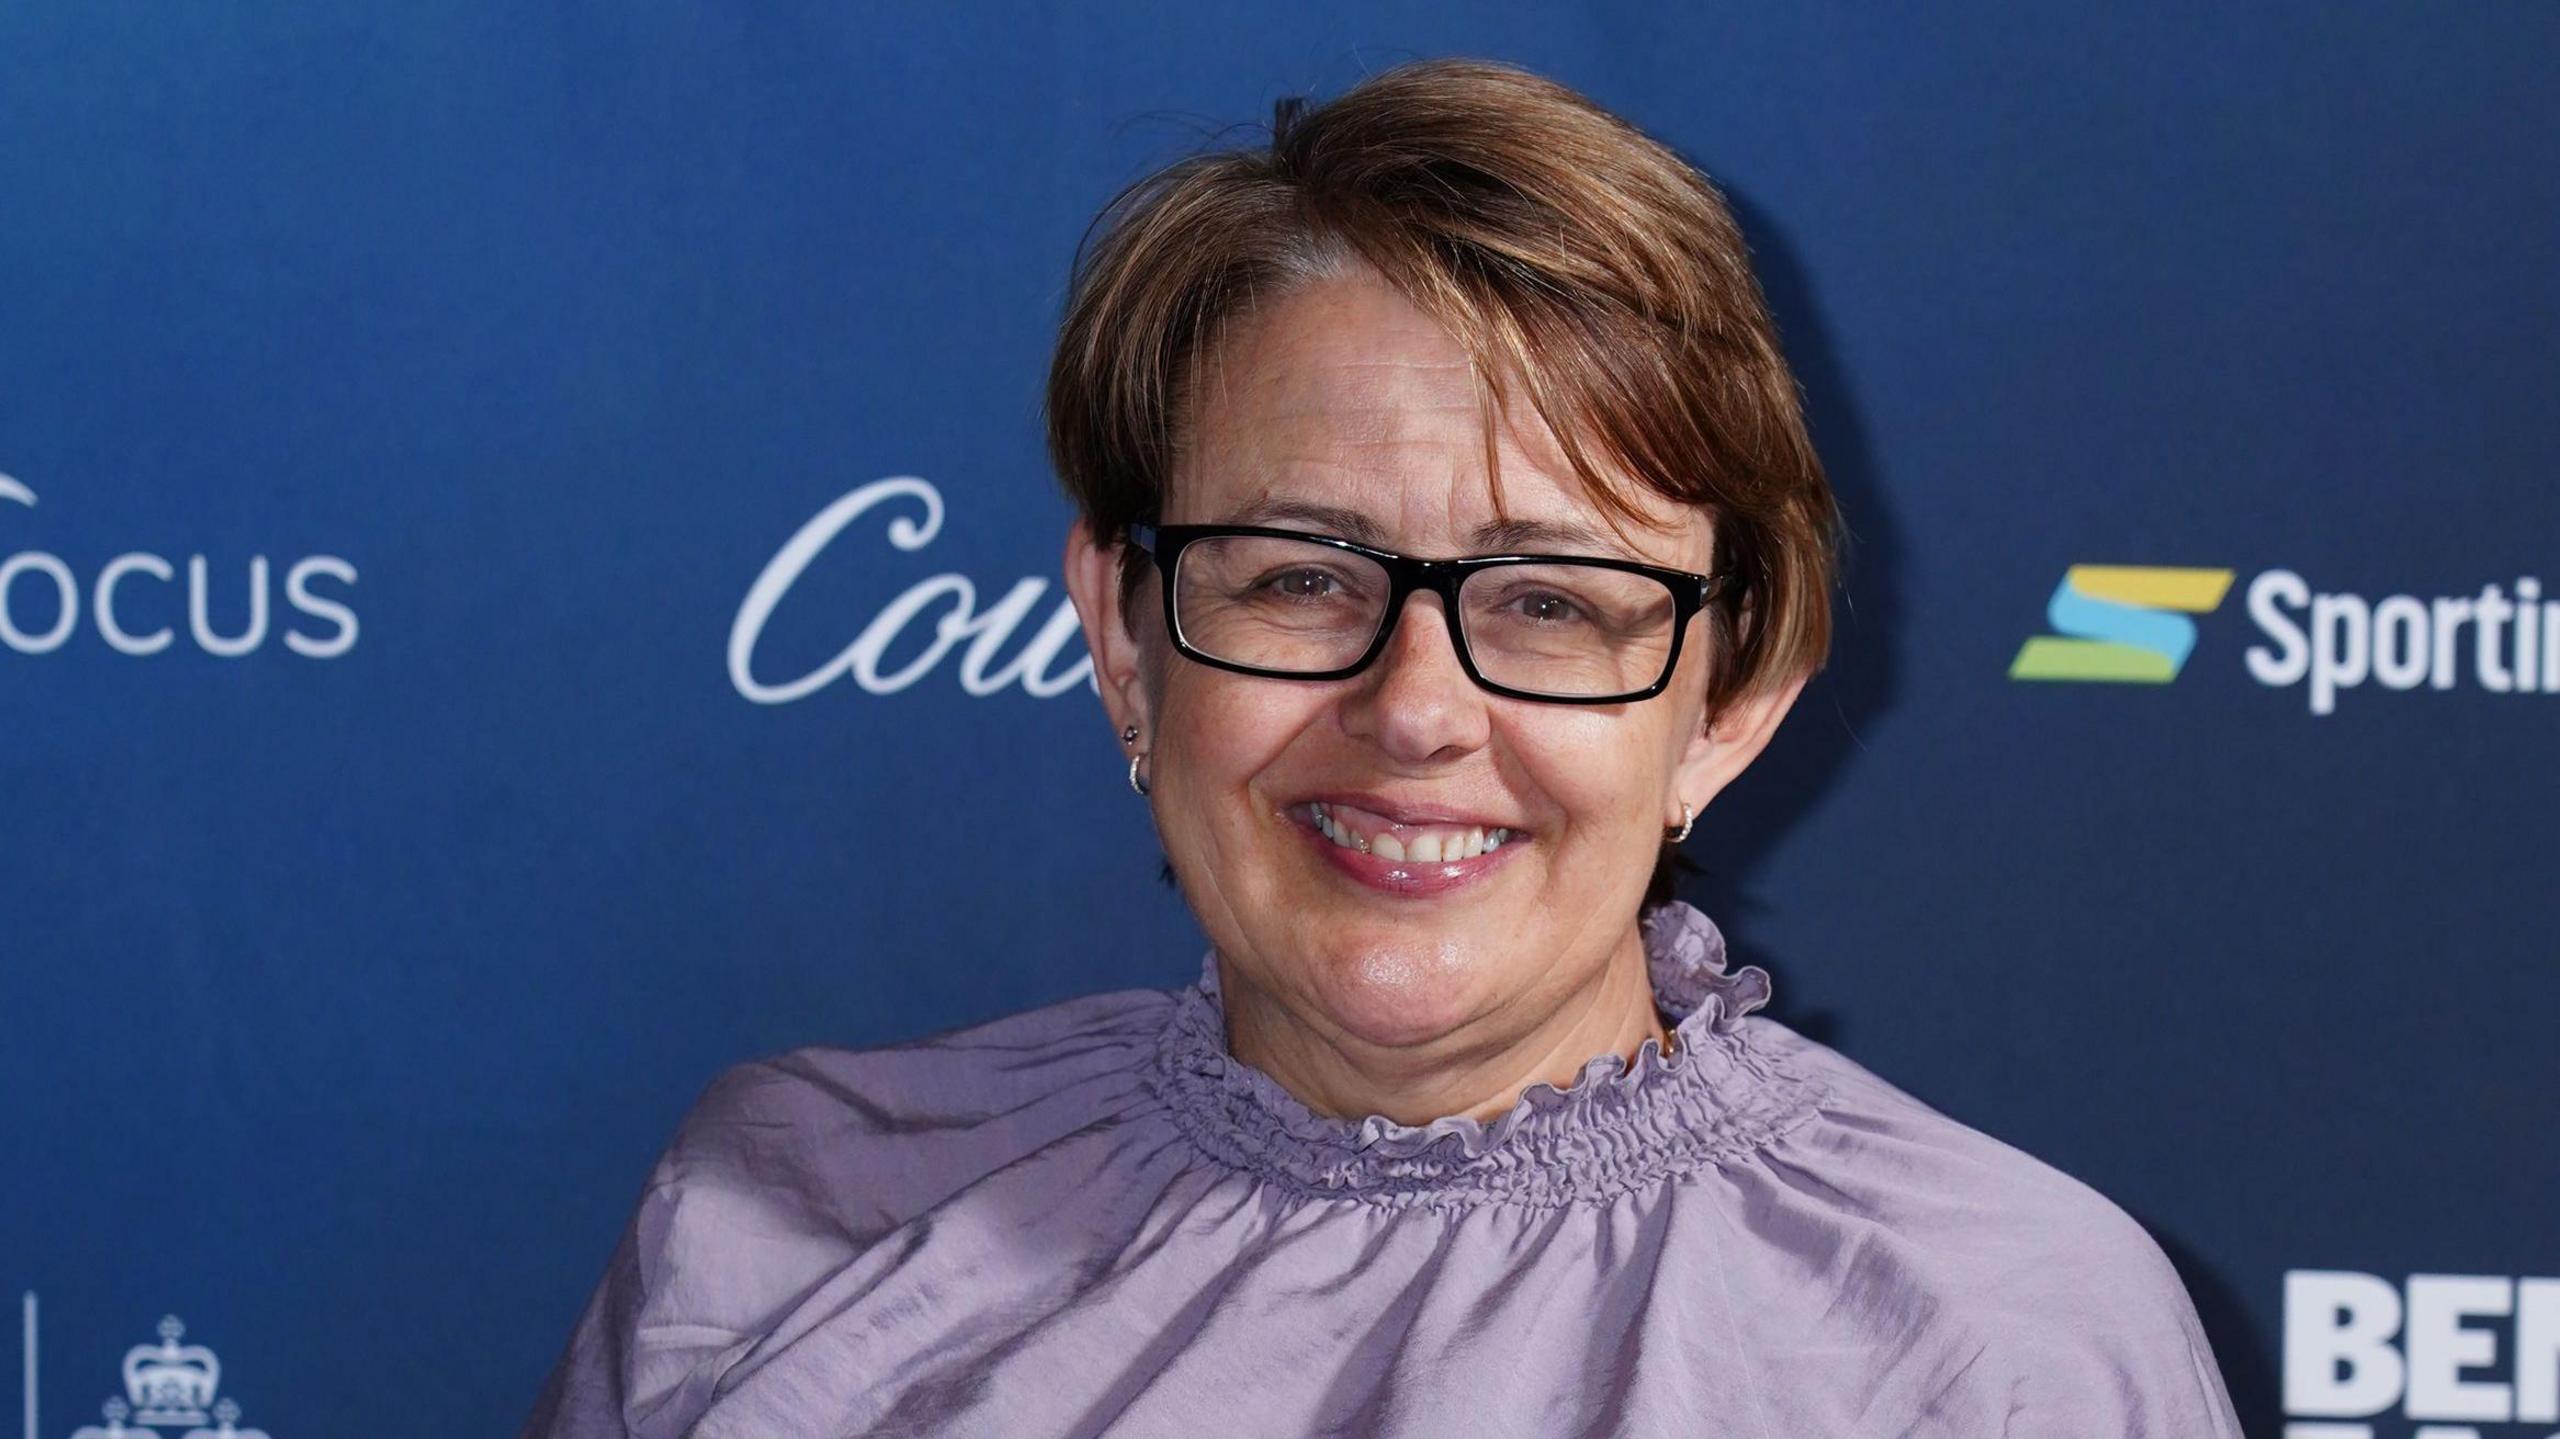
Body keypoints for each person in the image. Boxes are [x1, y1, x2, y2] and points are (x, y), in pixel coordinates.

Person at [523, 57, 2244, 1437]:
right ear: (1125, 638)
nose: (1417, 709)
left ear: (1730, 700)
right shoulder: (789, 1218)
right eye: (1298, 577)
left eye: (1554, 603)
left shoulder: (1995, 1356)